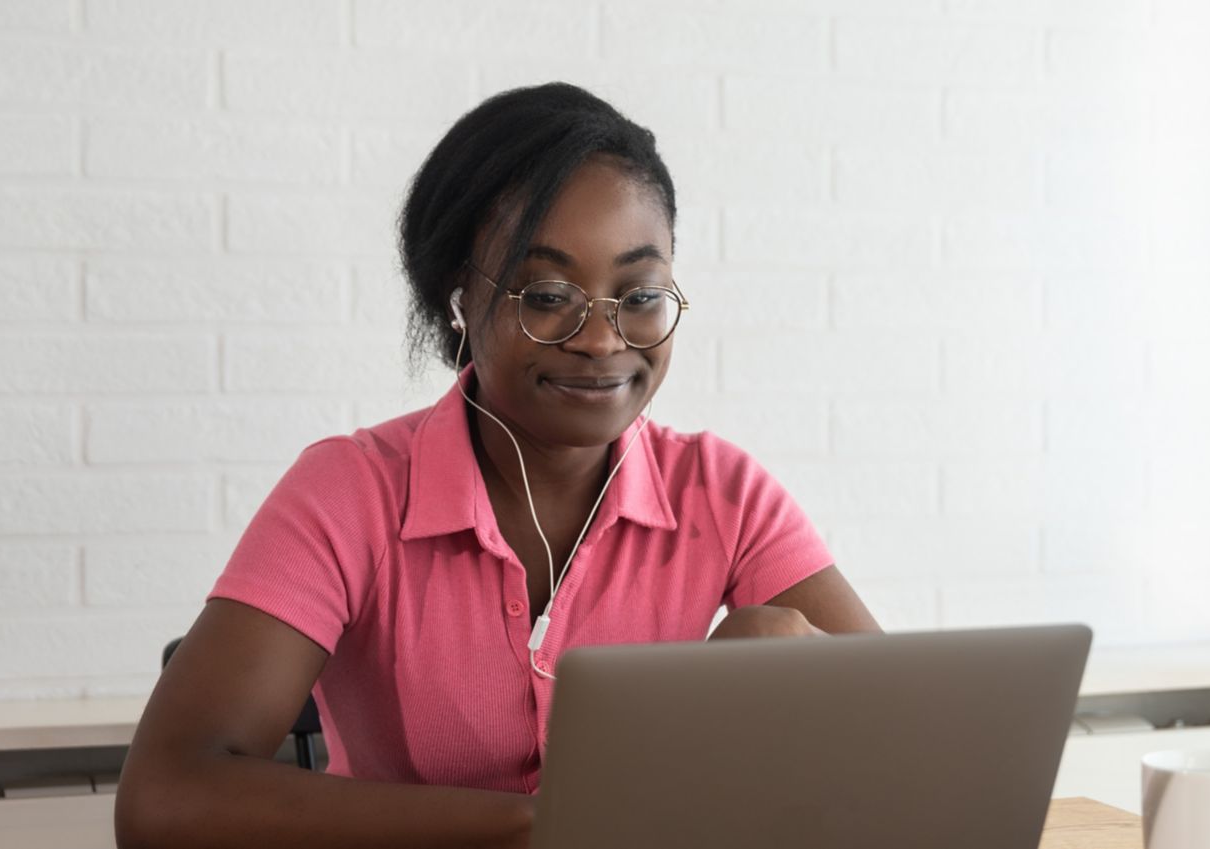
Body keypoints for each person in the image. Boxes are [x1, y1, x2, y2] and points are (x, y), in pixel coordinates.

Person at [114, 82, 880, 849]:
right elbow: (164, 797)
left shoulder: (722, 492)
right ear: (458, 298)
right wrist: (547, 825)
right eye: (547, 294)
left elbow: (908, 746)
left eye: (638, 292)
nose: (602, 338)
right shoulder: (351, 491)